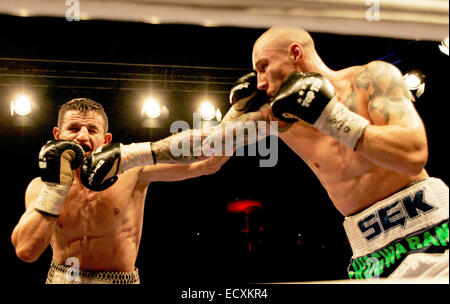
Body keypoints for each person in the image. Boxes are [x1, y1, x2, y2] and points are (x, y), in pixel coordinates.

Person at [229, 26, 449, 280]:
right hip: (371, 254)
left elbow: (414, 155)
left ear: (295, 53)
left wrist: (331, 117)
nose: (259, 82)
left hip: (435, 228)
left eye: (263, 66)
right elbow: (207, 155)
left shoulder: (371, 78)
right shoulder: (277, 118)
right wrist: (234, 114)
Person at [11, 97, 229, 284]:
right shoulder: (40, 187)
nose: (83, 137)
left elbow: (208, 163)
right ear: (57, 135)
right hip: (61, 278)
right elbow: (26, 250)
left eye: (92, 130)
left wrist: (238, 117)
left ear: (106, 140)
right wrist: (55, 190)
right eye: (74, 128)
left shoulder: (132, 173)